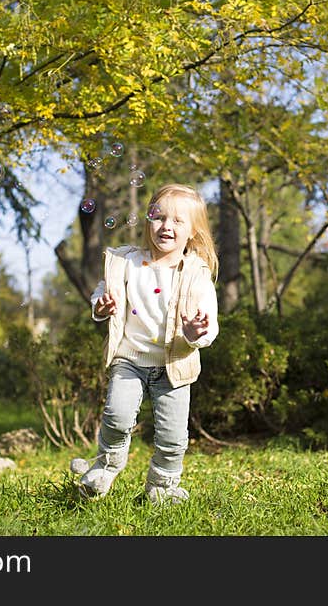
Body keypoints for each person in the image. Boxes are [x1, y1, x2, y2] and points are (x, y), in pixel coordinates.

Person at [70, 183, 220, 504]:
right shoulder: (126, 262)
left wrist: (195, 332)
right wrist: (101, 307)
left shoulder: (196, 273)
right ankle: (104, 467)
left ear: (193, 231)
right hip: (130, 360)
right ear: (148, 221)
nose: (166, 226)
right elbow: (102, 292)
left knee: (173, 436)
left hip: (175, 364)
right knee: (117, 414)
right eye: (159, 216)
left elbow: (208, 324)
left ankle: (162, 488)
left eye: (178, 221)